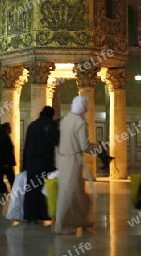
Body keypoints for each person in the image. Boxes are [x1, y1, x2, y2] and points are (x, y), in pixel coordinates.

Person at [54, 96, 101, 235]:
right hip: (73, 161)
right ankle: (61, 226)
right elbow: (84, 146)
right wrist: (99, 147)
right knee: (69, 194)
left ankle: (82, 220)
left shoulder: (64, 120)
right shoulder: (79, 122)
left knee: (79, 193)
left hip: (63, 160)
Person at [22, 106, 56, 222]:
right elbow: (55, 145)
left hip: (32, 163)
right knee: (44, 189)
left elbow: (27, 147)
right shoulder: (52, 125)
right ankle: (42, 214)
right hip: (46, 162)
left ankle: (29, 215)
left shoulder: (32, 125)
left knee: (31, 189)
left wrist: (24, 165)